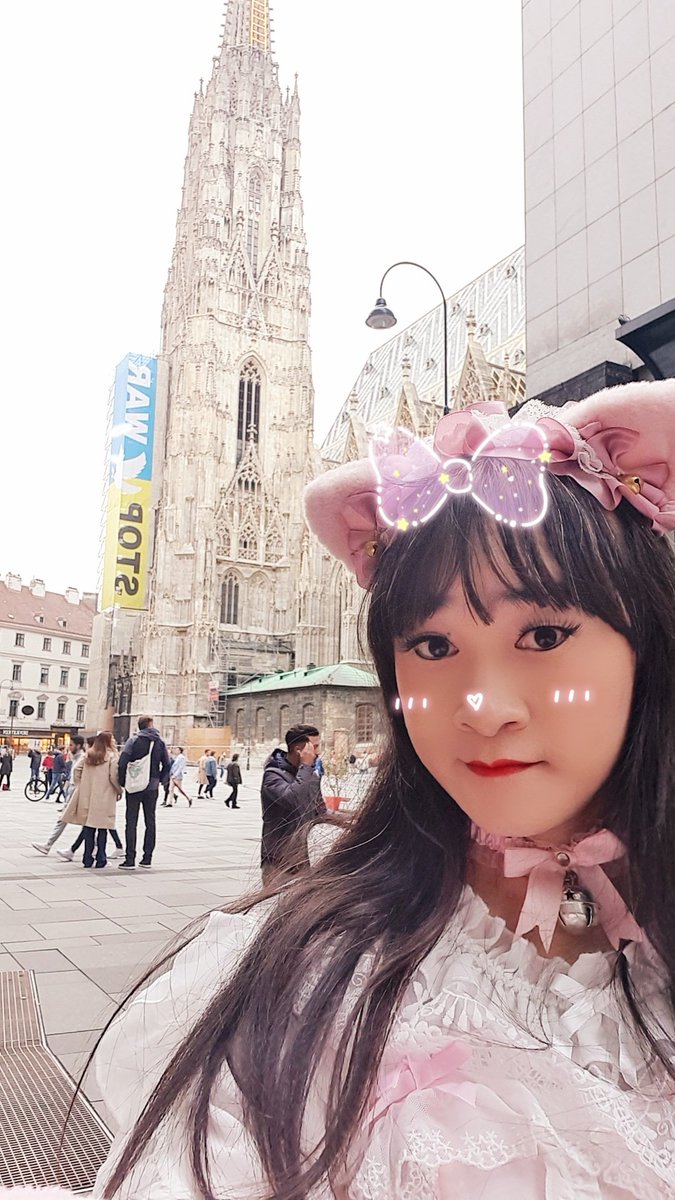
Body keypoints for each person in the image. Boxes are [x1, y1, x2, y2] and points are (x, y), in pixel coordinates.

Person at [90, 382, 675, 1199]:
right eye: (430, 646)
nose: (481, 708)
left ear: (651, 640)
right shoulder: (308, 983)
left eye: (543, 634)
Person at [259, 723, 325, 882]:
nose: (318, 752)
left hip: (303, 859)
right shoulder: (273, 776)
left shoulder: (309, 774)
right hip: (279, 863)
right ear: (299, 750)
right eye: (314, 747)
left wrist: (350, 819)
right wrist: (306, 766)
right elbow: (295, 800)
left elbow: (319, 810)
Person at [117, 715, 171, 870]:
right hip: (152, 786)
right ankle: (147, 858)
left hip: (134, 785)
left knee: (131, 822)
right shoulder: (160, 742)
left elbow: (122, 763)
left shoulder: (133, 741)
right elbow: (167, 764)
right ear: (150, 725)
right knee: (150, 821)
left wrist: (123, 781)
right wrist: (160, 780)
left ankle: (130, 859)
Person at [61, 732, 121, 868]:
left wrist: (81, 784)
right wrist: (119, 790)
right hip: (105, 795)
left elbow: (76, 770)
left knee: (89, 827)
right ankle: (101, 859)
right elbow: (113, 777)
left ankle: (87, 859)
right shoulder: (112, 756)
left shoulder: (88, 755)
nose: (114, 741)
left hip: (88, 795)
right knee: (103, 828)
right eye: (112, 739)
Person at [32, 735, 86, 856]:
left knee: (81, 822)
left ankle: (48, 845)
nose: (69, 747)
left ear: (78, 746)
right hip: (73, 792)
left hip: (77, 794)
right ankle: (96, 849)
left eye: (71, 745)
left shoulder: (83, 758)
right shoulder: (75, 757)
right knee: (82, 823)